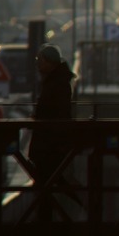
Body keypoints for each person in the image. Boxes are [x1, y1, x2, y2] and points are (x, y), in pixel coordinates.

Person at [30, 43, 76, 219]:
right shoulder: (57, 81)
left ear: (49, 62)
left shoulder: (55, 83)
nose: (37, 64)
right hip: (50, 144)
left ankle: (47, 224)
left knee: (46, 186)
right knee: (50, 185)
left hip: (48, 145)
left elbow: (57, 113)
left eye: (39, 60)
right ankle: (50, 222)